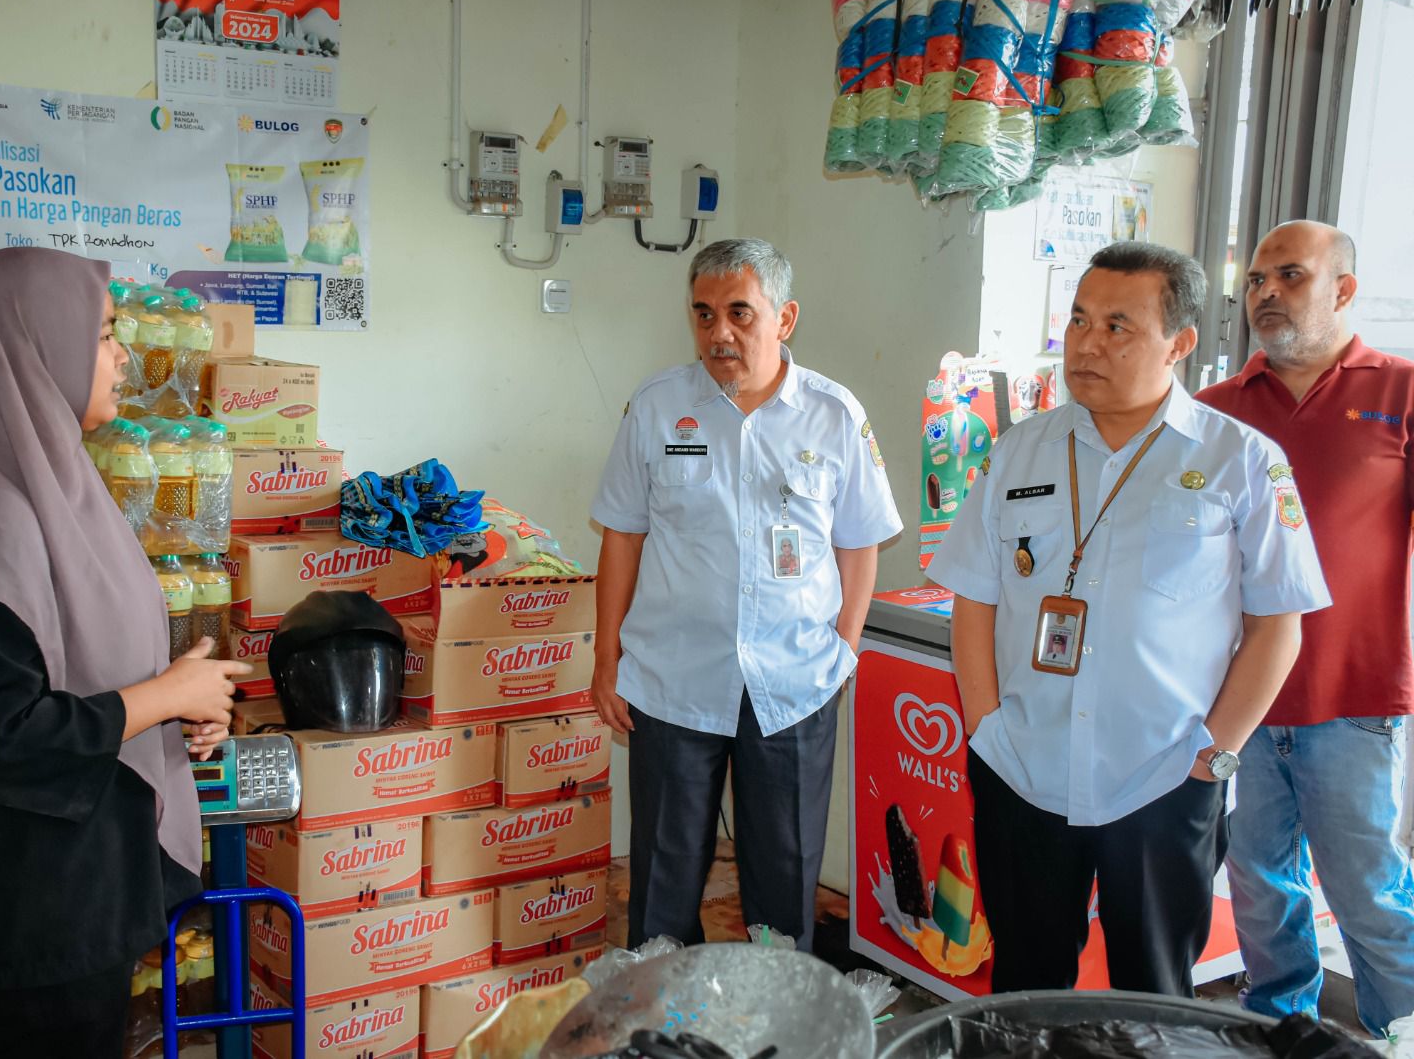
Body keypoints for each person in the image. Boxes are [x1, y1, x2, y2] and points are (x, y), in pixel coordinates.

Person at [0, 248, 251, 1056]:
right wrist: (165, 695)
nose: (122, 355)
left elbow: (72, 669)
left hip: (45, 899)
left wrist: (180, 707)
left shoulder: (39, 492)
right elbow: (7, 737)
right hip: (15, 922)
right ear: (26, 348)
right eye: (101, 333)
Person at [928, 242, 1331, 996]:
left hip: (1163, 775)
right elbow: (974, 599)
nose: (1087, 342)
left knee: (1156, 993)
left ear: (1180, 342)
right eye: (1079, 319)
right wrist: (985, 731)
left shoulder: (1238, 460)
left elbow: (1280, 624)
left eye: (1119, 325)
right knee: (1024, 987)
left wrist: (1214, 754)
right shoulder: (1019, 452)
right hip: (1024, 769)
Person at [590, 238, 902, 952]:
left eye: (739, 312)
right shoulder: (659, 406)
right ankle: (665, 1022)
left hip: (794, 682)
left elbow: (860, 541)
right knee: (663, 882)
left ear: (784, 317)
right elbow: (622, 536)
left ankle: (776, 1017)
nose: (718, 332)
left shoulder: (832, 413)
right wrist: (607, 656)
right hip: (673, 681)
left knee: (782, 883)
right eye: (703, 315)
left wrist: (845, 648)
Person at [1197, 221, 1414, 1037]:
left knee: (1369, 889)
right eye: (1255, 280)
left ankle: (1401, 1031)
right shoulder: (1214, 411)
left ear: (1344, 290)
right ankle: (1279, 1029)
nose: (1266, 294)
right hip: (1240, 699)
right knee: (1257, 882)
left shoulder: (1400, 391)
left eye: (1290, 275)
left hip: (1354, 698)